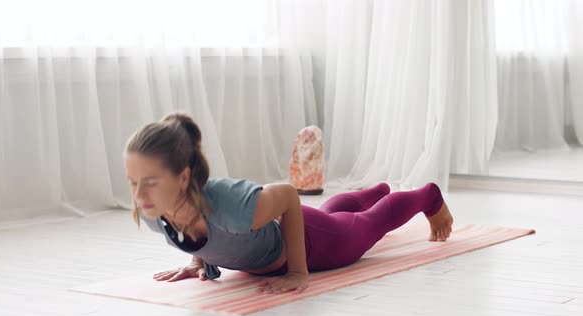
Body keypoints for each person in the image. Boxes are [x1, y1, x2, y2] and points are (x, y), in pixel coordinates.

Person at [123, 112, 453, 294]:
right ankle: (374, 190)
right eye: (133, 182)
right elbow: (193, 221)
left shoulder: (230, 205)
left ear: (183, 177)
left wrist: (298, 272)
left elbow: (288, 196)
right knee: (332, 214)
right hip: (287, 236)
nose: (139, 196)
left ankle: (428, 196)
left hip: (312, 243)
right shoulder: (154, 212)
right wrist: (199, 262)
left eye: (150, 184)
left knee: (369, 226)